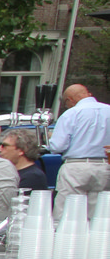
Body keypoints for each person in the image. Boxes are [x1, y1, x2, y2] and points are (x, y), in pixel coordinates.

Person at [47, 84, 110, 220]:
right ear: (89, 94)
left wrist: (50, 139)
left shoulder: (71, 113)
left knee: (66, 213)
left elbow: (58, 146)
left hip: (76, 167)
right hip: (105, 165)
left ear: (70, 100)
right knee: (98, 215)